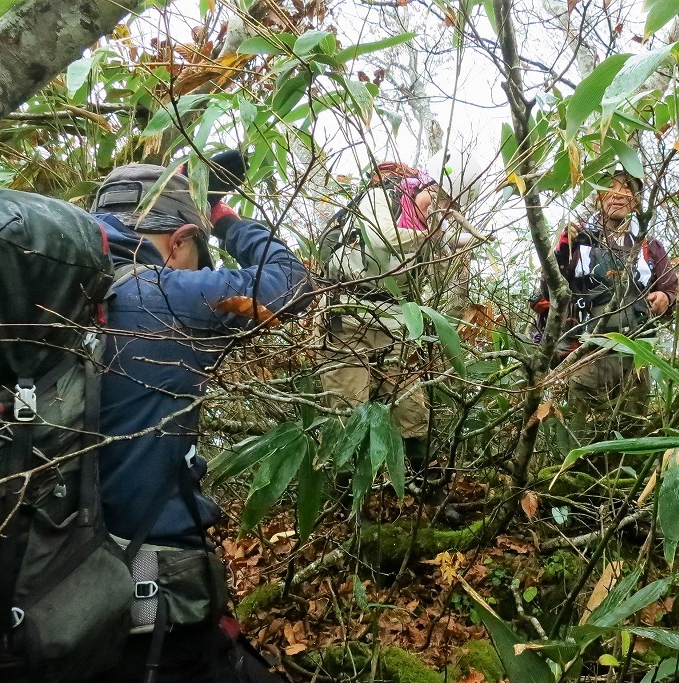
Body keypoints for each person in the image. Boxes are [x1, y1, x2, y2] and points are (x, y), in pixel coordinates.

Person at [91, 157, 312, 682]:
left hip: (31, 602)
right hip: (151, 614)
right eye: (196, 254)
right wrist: (225, 216)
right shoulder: (168, 293)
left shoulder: (37, 298)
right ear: (178, 240)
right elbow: (290, 282)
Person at [318, 160, 481, 465]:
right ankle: (347, 506)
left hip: (394, 328)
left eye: (448, 207)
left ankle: (427, 493)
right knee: (348, 416)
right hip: (348, 322)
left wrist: (462, 250)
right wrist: (431, 237)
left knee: (412, 414)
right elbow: (383, 239)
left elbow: (440, 276)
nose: (437, 211)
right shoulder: (380, 198)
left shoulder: (431, 230)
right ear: (424, 186)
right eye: (437, 199)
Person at [530, 168, 678, 441]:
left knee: (629, 434)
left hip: (636, 358)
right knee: (582, 436)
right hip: (586, 354)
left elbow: (670, 287)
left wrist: (665, 299)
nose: (619, 195)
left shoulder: (648, 246)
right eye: (611, 188)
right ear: (598, 197)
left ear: (636, 201)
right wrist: (562, 250)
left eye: (627, 190)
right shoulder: (577, 239)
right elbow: (548, 289)